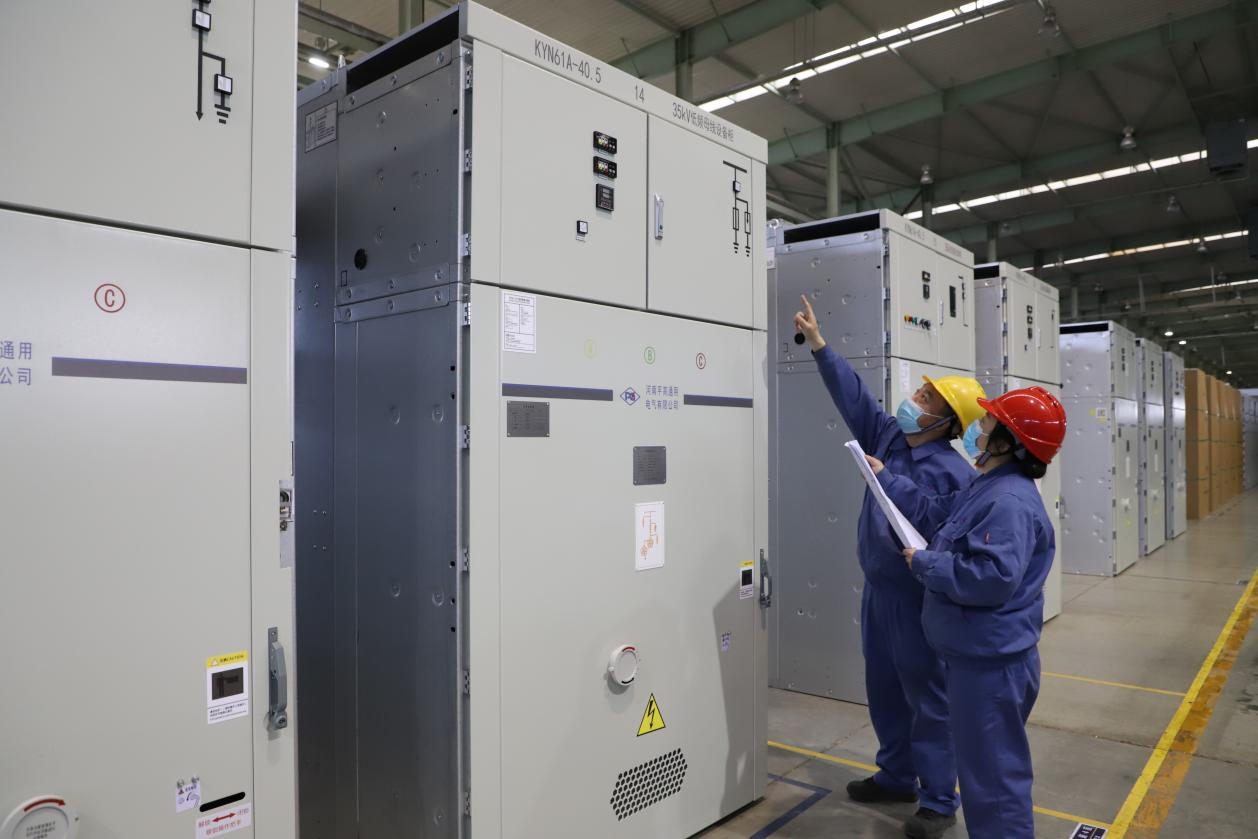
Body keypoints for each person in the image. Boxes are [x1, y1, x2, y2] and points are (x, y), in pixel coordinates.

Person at [793, 296, 987, 839]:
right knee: (882, 687)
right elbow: (852, 397)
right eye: (919, 392)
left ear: (945, 420)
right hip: (879, 591)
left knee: (927, 696)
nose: (913, 399)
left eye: (925, 398)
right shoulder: (889, 437)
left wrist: (891, 482)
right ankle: (897, 775)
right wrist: (820, 346)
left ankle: (939, 798)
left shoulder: (954, 473)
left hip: (919, 598)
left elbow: (941, 528)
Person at [868, 387, 1066, 839]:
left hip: (992, 667)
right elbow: (938, 511)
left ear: (1008, 441)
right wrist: (887, 479)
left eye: (990, 422)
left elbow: (991, 578)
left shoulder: (1009, 502)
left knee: (994, 782)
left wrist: (927, 564)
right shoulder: (988, 485)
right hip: (977, 657)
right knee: (983, 772)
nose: (979, 426)